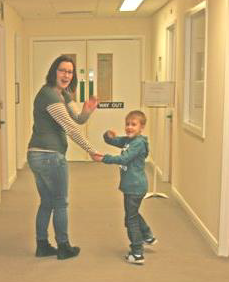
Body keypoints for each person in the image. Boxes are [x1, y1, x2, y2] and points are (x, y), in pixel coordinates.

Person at [27, 55, 99, 260]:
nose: (66, 75)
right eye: (62, 70)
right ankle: (63, 246)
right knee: (60, 202)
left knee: (47, 202)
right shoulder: (49, 95)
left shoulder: (62, 94)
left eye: (70, 71)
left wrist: (87, 110)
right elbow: (70, 128)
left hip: (37, 155)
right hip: (49, 156)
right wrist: (91, 150)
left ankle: (42, 245)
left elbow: (77, 118)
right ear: (53, 71)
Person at [93, 110, 157, 264]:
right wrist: (107, 136)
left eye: (133, 124)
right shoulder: (129, 140)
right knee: (133, 213)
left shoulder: (138, 143)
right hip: (132, 186)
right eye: (127, 124)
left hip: (135, 187)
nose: (129, 127)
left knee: (130, 219)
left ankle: (137, 253)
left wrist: (103, 158)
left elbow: (124, 158)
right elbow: (114, 141)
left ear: (141, 127)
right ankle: (147, 236)